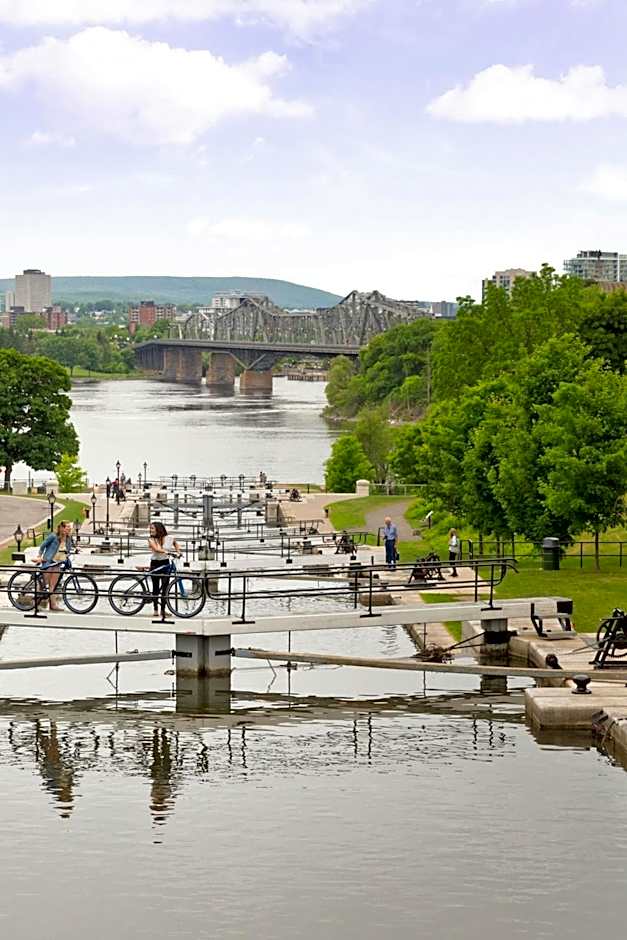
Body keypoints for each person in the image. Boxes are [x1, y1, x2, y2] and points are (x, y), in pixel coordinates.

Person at [35, 520, 75, 611]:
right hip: (49, 562)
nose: (69, 529)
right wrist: (39, 556)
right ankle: (35, 604)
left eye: (69, 527)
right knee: (43, 584)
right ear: (61, 528)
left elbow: (67, 550)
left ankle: (53, 605)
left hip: (57, 563)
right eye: (67, 527)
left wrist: (75, 549)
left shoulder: (68, 538)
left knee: (53, 586)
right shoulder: (53, 536)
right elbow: (43, 545)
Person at [148, 522, 181, 617]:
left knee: (165, 588)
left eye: (152, 529)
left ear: (159, 529)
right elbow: (156, 549)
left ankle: (163, 610)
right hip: (155, 564)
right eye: (150, 529)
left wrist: (179, 552)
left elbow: (175, 543)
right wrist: (167, 551)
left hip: (165, 563)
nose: (151, 531)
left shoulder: (169, 538)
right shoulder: (151, 539)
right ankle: (155, 610)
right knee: (155, 587)